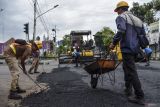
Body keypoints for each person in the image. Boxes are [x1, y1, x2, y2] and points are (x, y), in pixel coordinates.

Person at [109, 1, 145, 105]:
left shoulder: (121, 17)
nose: (117, 13)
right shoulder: (138, 19)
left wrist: (113, 43)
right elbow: (142, 35)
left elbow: (121, 31)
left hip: (127, 48)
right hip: (135, 49)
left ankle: (140, 96)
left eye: (117, 11)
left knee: (131, 71)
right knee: (126, 68)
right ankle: (128, 89)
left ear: (121, 9)